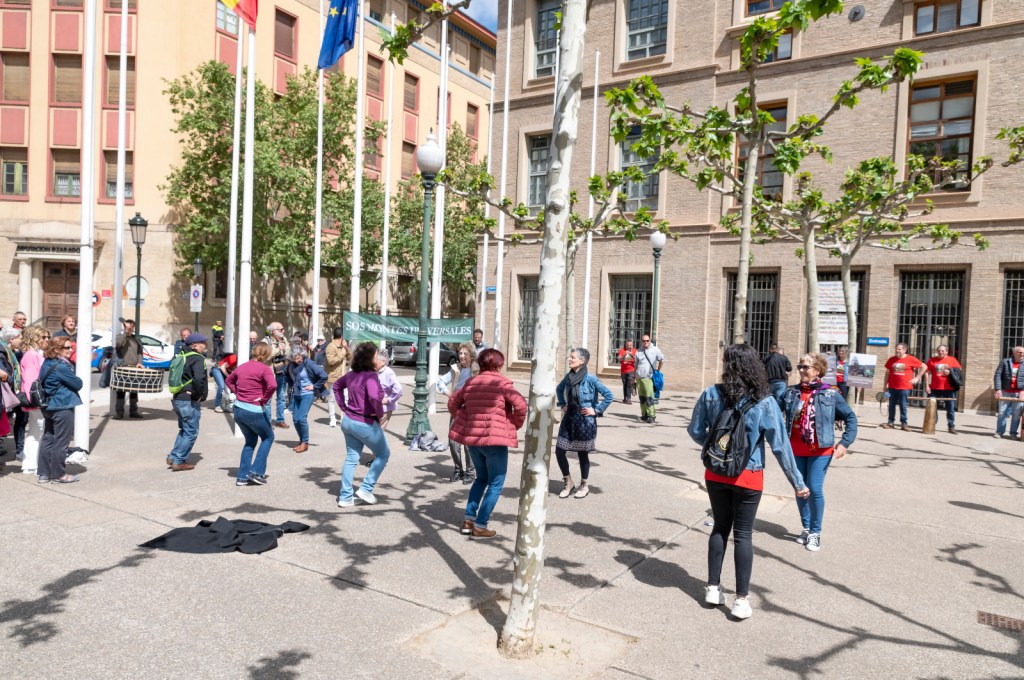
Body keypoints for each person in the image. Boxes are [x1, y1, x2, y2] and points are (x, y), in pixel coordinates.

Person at [687, 343, 809, 621]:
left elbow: (695, 430)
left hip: (715, 473)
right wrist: (798, 483)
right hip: (748, 475)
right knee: (743, 535)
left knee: (720, 527)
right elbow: (781, 446)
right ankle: (741, 600)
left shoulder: (711, 393)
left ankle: (713, 588)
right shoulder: (765, 401)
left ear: (727, 364)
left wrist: (717, 448)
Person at [781, 353, 858, 552]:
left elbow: (850, 418)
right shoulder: (791, 393)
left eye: (805, 367)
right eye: (800, 366)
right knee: (801, 489)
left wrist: (844, 444)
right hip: (795, 449)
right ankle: (806, 527)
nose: (801, 370)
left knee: (814, 489)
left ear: (817, 370)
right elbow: (772, 410)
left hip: (821, 450)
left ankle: (815, 532)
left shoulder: (830, 393)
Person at [448, 348, 527, 538]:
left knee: (481, 479)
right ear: (499, 364)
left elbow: (452, 403)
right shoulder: (502, 383)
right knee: (496, 483)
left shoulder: (471, 382)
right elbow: (521, 405)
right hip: (495, 441)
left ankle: (468, 520)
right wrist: (513, 425)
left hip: (473, 440)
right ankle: (480, 525)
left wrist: (464, 418)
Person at [333, 342, 391, 507]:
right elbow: (373, 397)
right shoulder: (370, 376)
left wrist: (344, 407)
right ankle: (366, 489)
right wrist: (379, 414)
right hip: (364, 422)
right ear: (370, 358)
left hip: (348, 421)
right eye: (375, 355)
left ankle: (345, 497)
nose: (377, 358)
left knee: (351, 458)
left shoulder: (352, 374)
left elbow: (337, 386)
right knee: (383, 454)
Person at [555, 348, 614, 499]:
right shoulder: (569, 377)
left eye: (573, 357)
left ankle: (584, 485)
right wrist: (562, 404)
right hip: (569, 418)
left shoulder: (591, 379)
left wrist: (596, 410)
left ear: (582, 361)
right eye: (570, 357)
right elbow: (559, 389)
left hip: (585, 421)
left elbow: (609, 395)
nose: (570, 359)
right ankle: (568, 482)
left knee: (582, 453)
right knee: (560, 451)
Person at [226, 343, 278, 486]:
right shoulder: (265, 369)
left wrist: (237, 392)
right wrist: (264, 399)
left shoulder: (242, 367)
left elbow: (228, 380)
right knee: (268, 437)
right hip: (254, 410)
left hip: (238, 410)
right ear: (267, 354)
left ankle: (242, 477)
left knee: (250, 442)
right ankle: (256, 472)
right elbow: (273, 385)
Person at [37, 337, 84, 484]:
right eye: (66, 347)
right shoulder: (61, 367)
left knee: (48, 439)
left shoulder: (47, 363)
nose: (70, 350)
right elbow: (78, 384)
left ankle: (44, 474)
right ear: (56, 349)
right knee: (61, 442)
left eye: (71, 347)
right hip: (61, 406)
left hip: (49, 406)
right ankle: (59, 475)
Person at [437, 343, 478, 483]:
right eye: (460, 353)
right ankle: (458, 470)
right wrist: (449, 394)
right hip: (457, 408)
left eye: (465, 353)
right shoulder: (455, 369)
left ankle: (471, 472)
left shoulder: (477, 369)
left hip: (471, 408)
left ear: (471, 355)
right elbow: (440, 382)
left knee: (468, 442)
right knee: (453, 441)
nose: (462, 356)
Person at [167, 333, 209, 471]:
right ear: (195, 345)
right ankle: (179, 461)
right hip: (188, 400)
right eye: (203, 343)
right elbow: (199, 379)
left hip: (178, 397)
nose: (206, 345)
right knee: (191, 431)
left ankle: (173, 456)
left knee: (184, 429)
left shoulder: (181, 355)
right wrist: (198, 395)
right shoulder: (197, 358)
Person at [18, 325, 50, 476]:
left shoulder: (33, 354)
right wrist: (36, 401)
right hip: (36, 400)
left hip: (34, 400)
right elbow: (30, 379)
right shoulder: (32, 355)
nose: (47, 340)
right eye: (43, 337)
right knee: (39, 432)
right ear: (35, 338)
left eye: (48, 337)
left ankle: (30, 464)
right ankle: (35, 464)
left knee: (34, 431)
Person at [285, 347, 327, 453]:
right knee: (295, 419)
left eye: (298, 358)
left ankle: (305, 442)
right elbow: (287, 374)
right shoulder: (291, 365)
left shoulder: (309, 363)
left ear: (302, 355)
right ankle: (301, 441)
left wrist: (314, 386)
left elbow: (324, 375)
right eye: (294, 358)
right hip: (296, 394)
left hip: (307, 394)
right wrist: (292, 384)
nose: (297, 360)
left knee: (302, 418)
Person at [882, 343, 926, 431]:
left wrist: (917, 378)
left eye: (899, 349)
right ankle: (890, 422)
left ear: (904, 350)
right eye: (896, 349)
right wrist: (885, 384)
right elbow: (887, 373)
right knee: (891, 405)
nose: (897, 351)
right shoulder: (891, 359)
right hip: (892, 387)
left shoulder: (911, 359)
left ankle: (904, 423)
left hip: (904, 387)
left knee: (903, 406)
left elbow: (924, 366)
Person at [924, 345, 962, 435]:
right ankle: (932, 424)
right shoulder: (932, 360)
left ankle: (951, 426)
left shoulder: (952, 360)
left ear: (946, 351)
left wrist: (950, 371)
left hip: (949, 388)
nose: (941, 352)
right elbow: (927, 373)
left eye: (943, 351)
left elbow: (959, 371)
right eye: (939, 350)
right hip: (934, 388)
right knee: (933, 407)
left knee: (950, 408)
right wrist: (927, 386)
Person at [113, 319, 145, 419]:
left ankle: (133, 412)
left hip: (134, 368)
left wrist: (139, 362)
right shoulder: (120, 337)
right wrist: (125, 332)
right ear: (125, 326)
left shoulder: (136, 339)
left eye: (132, 326)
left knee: (134, 392)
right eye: (128, 326)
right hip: (122, 368)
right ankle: (119, 413)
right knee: (121, 392)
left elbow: (140, 352)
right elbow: (118, 344)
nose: (131, 328)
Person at [262, 323, 291, 429]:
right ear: (273, 331)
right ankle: (267, 422)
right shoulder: (265, 342)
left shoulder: (284, 339)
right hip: (270, 374)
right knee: (268, 399)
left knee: (282, 397)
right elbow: (264, 357)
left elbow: (288, 352)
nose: (283, 331)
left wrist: (286, 350)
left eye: (283, 329)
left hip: (282, 372)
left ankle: (280, 420)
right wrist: (278, 349)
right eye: (281, 329)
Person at [993, 345, 1024, 440]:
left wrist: (1023, 391)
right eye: (1020, 352)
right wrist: (998, 389)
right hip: (1005, 391)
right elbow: (998, 375)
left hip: (1019, 392)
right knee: (1002, 413)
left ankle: (1013, 433)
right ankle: (1000, 432)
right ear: (1014, 353)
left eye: (1023, 353)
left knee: (1016, 414)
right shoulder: (1005, 362)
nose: (1022, 354)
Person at [324, 329, 351, 428]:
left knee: (346, 397)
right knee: (332, 398)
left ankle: (345, 418)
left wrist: (346, 348)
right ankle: (332, 418)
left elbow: (350, 357)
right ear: (341, 336)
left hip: (344, 376)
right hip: (334, 377)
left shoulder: (343, 346)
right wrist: (342, 354)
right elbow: (331, 361)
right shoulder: (330, 347)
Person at [635, 334, 665, 423]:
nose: (645, 342)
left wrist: (658, 370)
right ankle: (644, 415)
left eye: (647, 340)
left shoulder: (655, 350)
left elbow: (661, 359)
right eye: (644, 341)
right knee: (642, 398)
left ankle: (651, 416)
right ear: (641, 342)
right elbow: (635, 365)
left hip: (648, 378)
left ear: (650, 341)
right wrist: (634, 377)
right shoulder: (638, 351)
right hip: (639, 378)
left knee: (649, 398)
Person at [375, 347, 403, 429]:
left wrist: (388, 400)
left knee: (376, 431)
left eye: (375, 360)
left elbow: (398, 390)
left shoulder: (388, 373)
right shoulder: (375, 371)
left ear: (383, 362)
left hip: (384, 409)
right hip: (374, 407)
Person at [617, 339, 637, 404]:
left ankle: (629, 399)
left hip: (631, 370)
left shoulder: (634, 351)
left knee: (629, 384)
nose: (629, 346)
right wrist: (624, 355)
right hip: (623, 371)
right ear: (626, 345)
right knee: (625, 385)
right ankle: (625, 398)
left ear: (632, 345)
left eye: (630, 345)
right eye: (628, 345)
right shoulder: (622, 351)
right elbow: (619, 359)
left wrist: (632, 355)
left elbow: (637, 360)